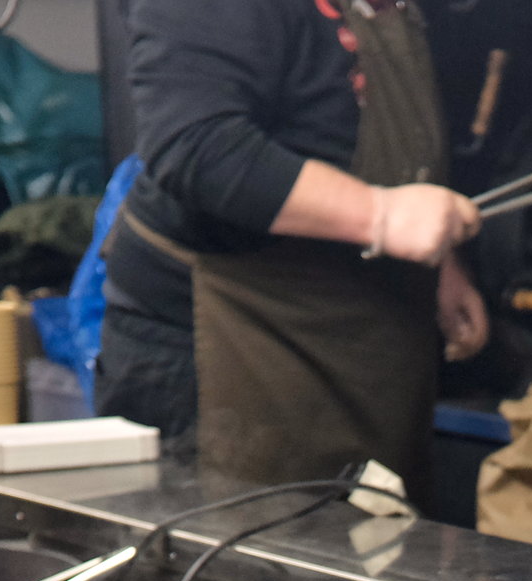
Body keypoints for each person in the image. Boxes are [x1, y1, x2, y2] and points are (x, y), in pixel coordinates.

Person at [99, 0, 489, 499]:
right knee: (235, 561)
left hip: (361, 337)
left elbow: (340, 122)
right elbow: (198, 146)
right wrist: (381, 216)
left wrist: (438, 259)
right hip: (230, 339)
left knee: (362, 547)